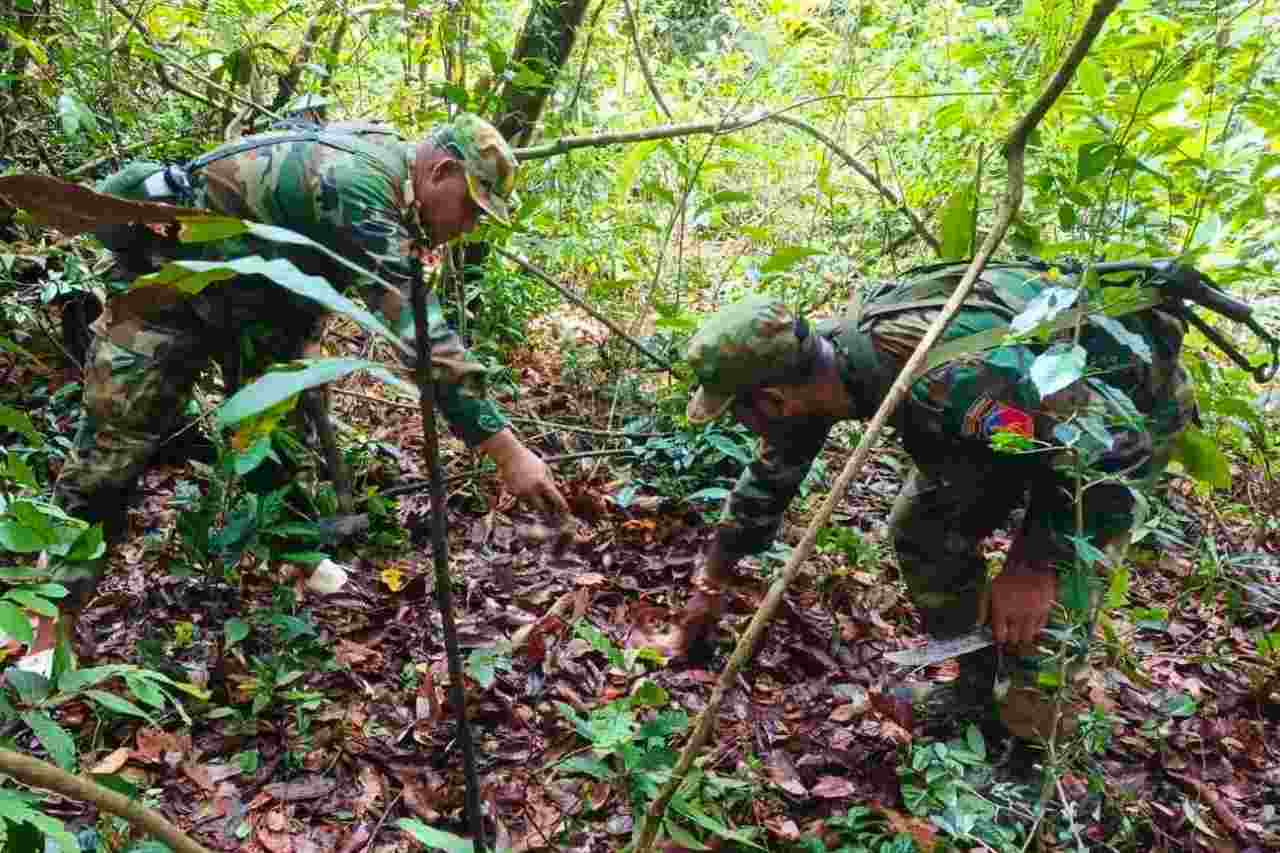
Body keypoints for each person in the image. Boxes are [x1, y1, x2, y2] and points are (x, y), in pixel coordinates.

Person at [30, 113, 569, 665]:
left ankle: (294, 556)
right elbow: (421, 335)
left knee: (277, 427)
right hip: (167, 283)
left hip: (260, 300)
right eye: (471, 209)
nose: (469, 227)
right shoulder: (359, 188)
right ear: (443, 171)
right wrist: (506, 451)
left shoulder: (391, 167)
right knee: (110, 454)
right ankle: (47, 623)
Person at [661, 260, 1197, 741]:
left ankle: (1030, 747)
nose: (748, 424)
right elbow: (772, 475)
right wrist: (711, 581)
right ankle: (975, 687)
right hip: (1015, 424)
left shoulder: (949, 378)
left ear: (774, 400)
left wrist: (1035, 562)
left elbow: (1107, 448)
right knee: (925, 531)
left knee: (1044, 608)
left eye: (740, 412)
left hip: (1113, 429)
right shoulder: (819, 368)